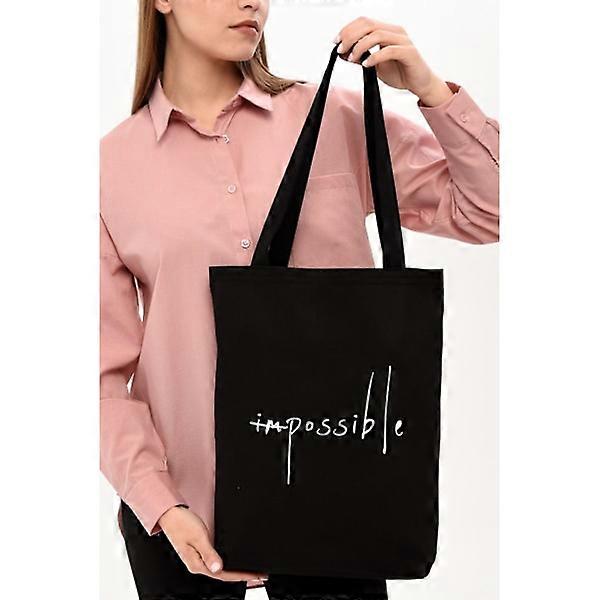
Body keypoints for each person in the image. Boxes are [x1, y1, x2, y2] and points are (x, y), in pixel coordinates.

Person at [100, 1, 499, 598]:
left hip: (333, 485)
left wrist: (430, 90)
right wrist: (161, 506)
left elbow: (491, 209)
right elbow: (98, 378)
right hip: (181, 508)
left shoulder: (334, 117)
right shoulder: (110, 166)